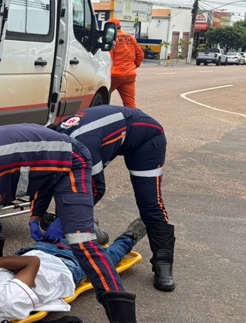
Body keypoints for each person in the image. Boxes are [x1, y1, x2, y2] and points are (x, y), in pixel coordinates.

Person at [0, 123, 142, 323]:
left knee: (82, 243)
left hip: (69, 162)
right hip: (39, 169)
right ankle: (79, 222)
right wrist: (34, 218)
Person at [50, 105, 176, 292]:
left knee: (149, 202)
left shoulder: (83, 146)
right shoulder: (56, 138)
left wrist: (65, 220)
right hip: (113, 136)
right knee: (70, 187)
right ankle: (83, 228)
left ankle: (163, 262)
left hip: (147, 140)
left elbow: (95, 188)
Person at [0, 219, 146, 323]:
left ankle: (86, 226)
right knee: (107, 260)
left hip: (36, 251)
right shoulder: (7, 303)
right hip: (64, 264)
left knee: (67, 227)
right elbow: (32, 263)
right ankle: (129, 237)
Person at [107, 17, 144, 108]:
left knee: (101, 96)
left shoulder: (111, 39)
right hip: (130, 74)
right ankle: (134, 120)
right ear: (119, 26)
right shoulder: (131, 38)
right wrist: (134, 66)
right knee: (130, 103)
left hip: (114, 74)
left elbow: (108, 57)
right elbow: (140, 54)